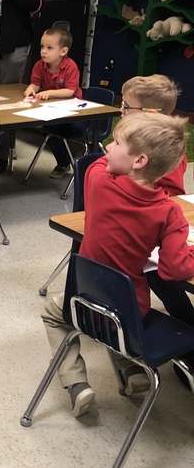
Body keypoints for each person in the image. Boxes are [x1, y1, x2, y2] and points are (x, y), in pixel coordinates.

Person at [41, 112, 194, 417]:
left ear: (139, 161)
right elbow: (173, 270)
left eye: (117, 142)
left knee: (51, 313)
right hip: (129, 313)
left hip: (82, 300)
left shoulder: (97, 180)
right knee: (120, 316)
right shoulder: (169, 214)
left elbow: (96, 161)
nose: (107, 147)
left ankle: (76, 384)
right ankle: (134, 373)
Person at [119, 74, 194, 326]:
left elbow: (170, 196)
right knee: (155, 271)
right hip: (135, 219)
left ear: (150, 113)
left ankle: (186, 328)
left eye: (127, 107)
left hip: (155, 220)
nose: (121, 111)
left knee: (159, 271)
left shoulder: (164, 150)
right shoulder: (134, 143)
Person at [23, 26, 82, 178]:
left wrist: (48, 92)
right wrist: (30, 89)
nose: (43, 51)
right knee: (47, 130)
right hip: (52, 109)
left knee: (62, 129)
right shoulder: (39, 65)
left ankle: (79, 159)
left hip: (73, 111)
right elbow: (35, 83)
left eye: (49, 48)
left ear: (63, 51)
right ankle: (64, 163)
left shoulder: (71, 67)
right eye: (42, 47)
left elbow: (69, 91)